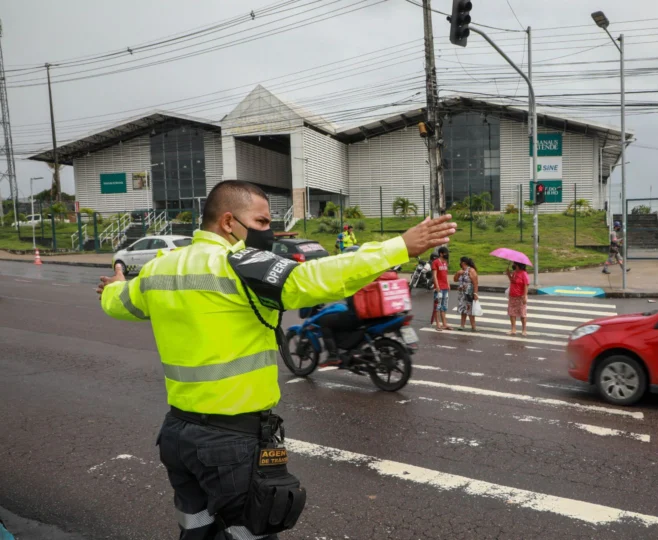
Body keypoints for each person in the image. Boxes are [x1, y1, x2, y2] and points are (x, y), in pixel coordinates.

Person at [97, 180, 455, 540]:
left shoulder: (158, 271)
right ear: (227, 222)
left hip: (177, 436)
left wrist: (114, 284)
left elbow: (118, 303)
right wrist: (398, 248)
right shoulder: (237, 263)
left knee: (195, 530)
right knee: (249, 533)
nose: (270, 231)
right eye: (262, 222)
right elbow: (313, 279)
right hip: (231, 442)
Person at [454, 256, 479, 332]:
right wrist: (458, 273)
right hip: (462, 294)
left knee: (470, 310)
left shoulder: (471, 271)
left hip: (469, 294)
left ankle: (473, 326)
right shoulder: (461, 271)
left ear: (463, 263)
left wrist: (475, 294)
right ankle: (462, 325)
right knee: (463, 310)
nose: (460, 263)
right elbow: (455, 280)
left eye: (460, 262)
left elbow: (475, 283)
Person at [506, 262, 529, 336]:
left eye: (515, 264)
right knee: (512, 313)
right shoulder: (515, 272)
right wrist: (509, 274)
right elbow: (512, 281)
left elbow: (526, 285)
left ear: (518, 265)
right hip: (512, 295)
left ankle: (524, 330)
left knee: (522, 313)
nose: (513, 265)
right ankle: (513, 329)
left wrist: (525, 296)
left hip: (520, 296)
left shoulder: (524, 274)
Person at [432, 246, 452, 331]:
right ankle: (438, 324)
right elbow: (434, 276)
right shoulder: (436, 262)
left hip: (445, 287)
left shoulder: (445, 262)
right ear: (441, 254)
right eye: (445, 253)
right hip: (439, 288)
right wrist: (437, 286)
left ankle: (444, 324)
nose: (447, 255)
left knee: (444, 306)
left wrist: (448, 284)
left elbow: (446, 275)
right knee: (437, 306)